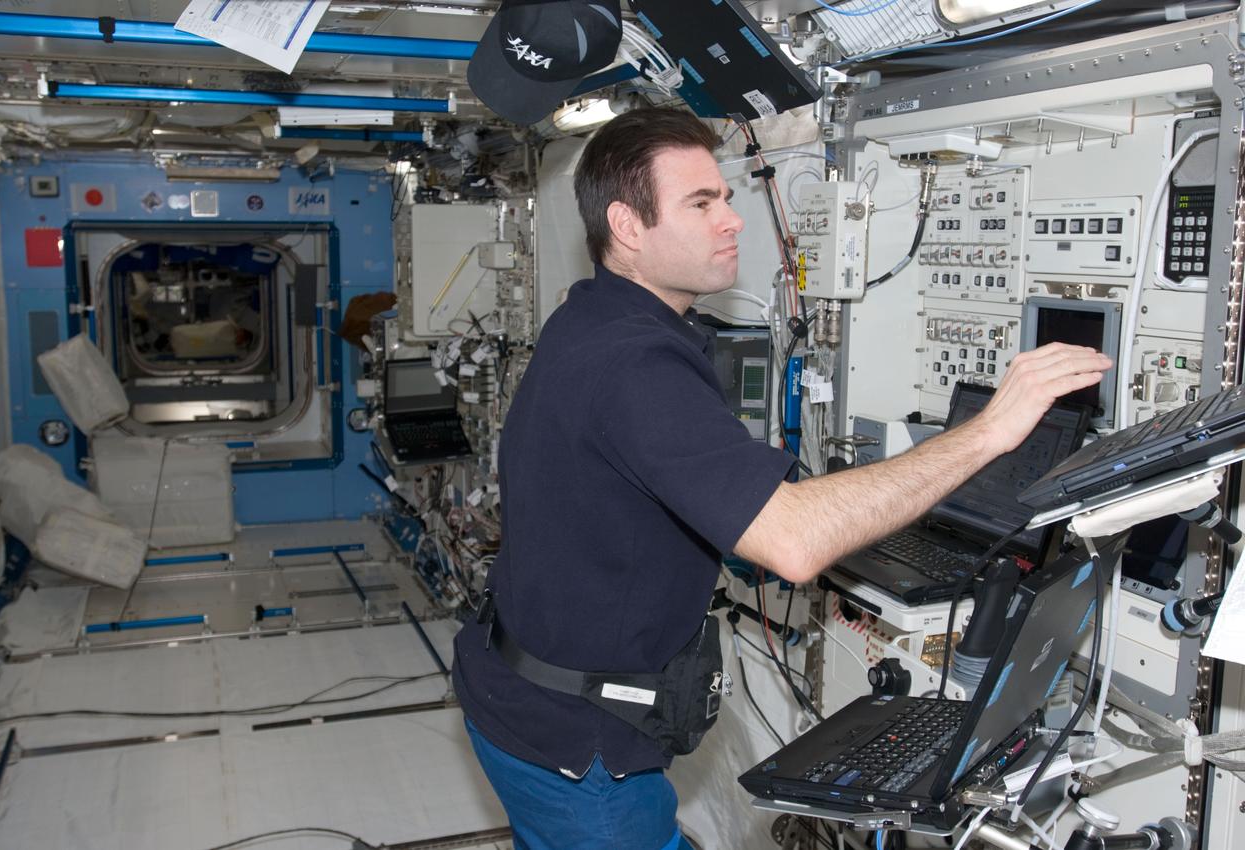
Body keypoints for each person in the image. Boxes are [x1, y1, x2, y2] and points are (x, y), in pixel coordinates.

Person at [451, 107, 1111, 850]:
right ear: (627, 227)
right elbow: (794, 545)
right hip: (578, 749)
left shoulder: (598, 319)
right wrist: (989, 431)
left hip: (523, 697)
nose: (731, 221)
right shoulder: (633, 363)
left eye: (726, 197)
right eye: (701, 204)